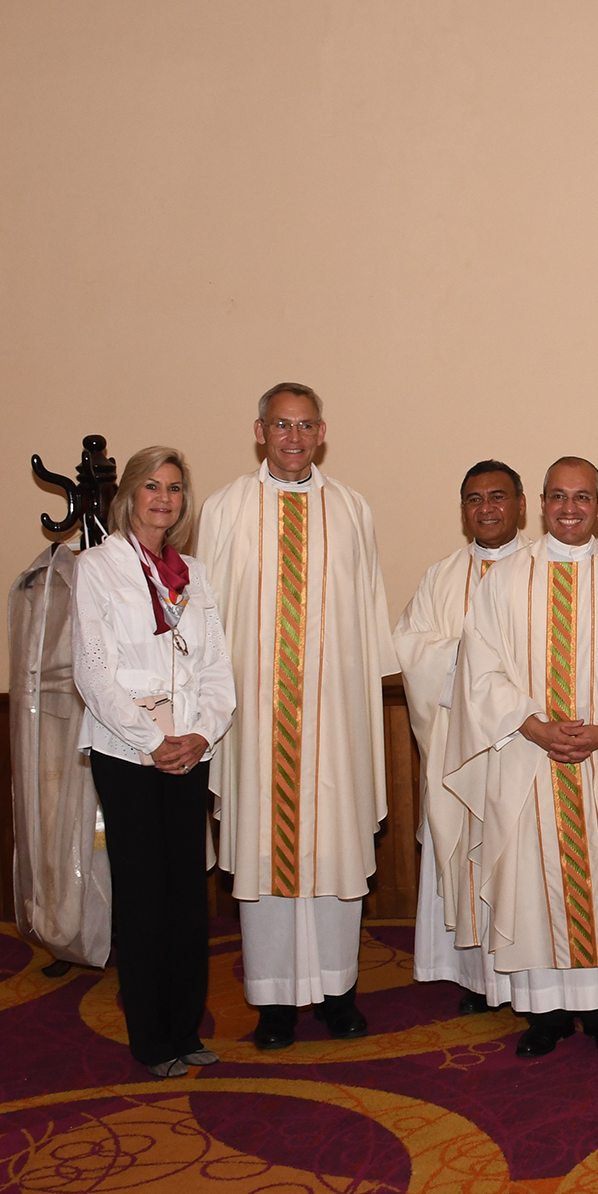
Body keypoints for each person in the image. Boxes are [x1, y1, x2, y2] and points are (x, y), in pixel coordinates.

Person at [197, 382, 398, 1051]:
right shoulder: (225, 509)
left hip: (334, 717)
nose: (293, 437)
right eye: (281, 425)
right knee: (264, 858)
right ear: (259, 431)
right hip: (256, 720)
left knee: (335, 849)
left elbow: (368, 613)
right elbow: (205, 619)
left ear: (321, 433)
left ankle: (339, 993)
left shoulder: (351, 508)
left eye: (305, 425)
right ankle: (274, 1002)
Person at [445, 456, 598, 1058]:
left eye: (582, 497)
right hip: (527, 757)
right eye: (559, 496)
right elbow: (480, 668)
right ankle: (546, 1012)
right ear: (541, 504)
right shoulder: (504, 580)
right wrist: (534, 726)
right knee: (532, 883)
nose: (570, 508)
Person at [71, 447, 236, 1078]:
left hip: (188, 751)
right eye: (151, 486)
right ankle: (151, 1039)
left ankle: (185, 1029)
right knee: (144, 897)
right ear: (130, 497)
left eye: (174, 488)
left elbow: (217, 669)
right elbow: (94, 673)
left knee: (187, 896)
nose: (163, 498)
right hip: (128, 753)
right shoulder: (97, 567)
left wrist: (200, 733)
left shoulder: (193, 573)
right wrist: (150, 739)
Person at [393, 459, 529, 1012]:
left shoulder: (543, 570)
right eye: (474, 499)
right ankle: (477, 978)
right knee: (468, 856)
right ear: (463, 509)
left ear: (521, 505)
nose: (486, 508)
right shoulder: (441, 577)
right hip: (457, 747)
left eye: (498, 496)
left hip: (521, 745)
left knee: (521, 861)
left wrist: (497, 680)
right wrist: (476, 666)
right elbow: (411, 646)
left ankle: (528, 979)